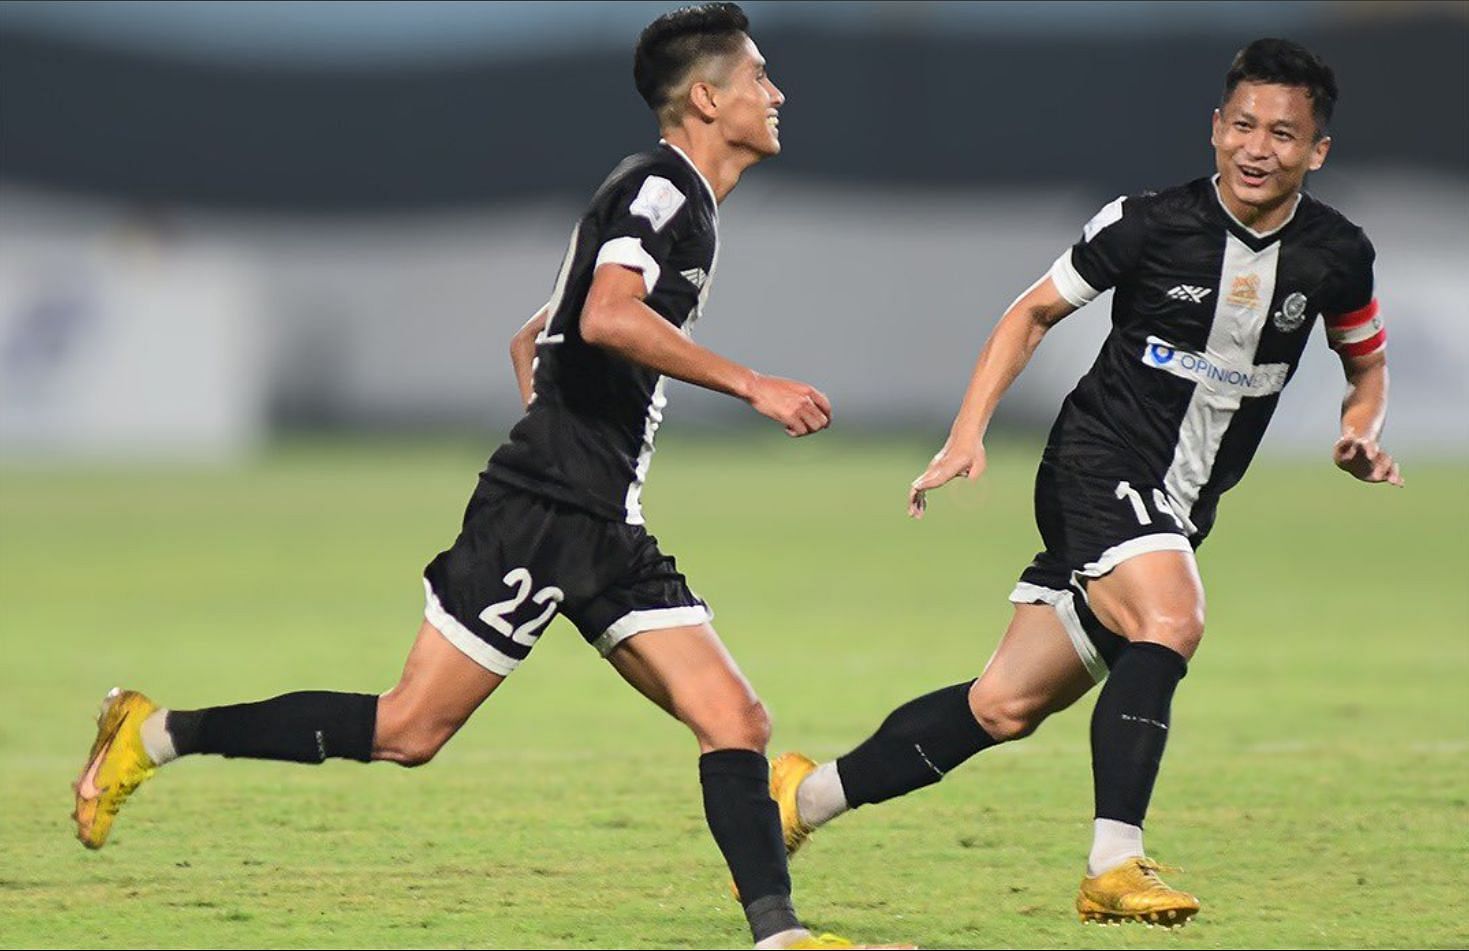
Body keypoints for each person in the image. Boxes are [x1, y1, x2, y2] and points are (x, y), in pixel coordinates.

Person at [71, 6, 906, 949]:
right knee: (409, 729)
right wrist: (749, 384)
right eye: (759, 75)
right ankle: (155, 732)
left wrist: (571, 436)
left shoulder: (673, 198)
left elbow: (534, 335)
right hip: (547, 513)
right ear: (707, 99)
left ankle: (780, 938)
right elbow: (602, 316)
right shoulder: (663, 189)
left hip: (595, 516)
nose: (776, 91)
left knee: (735, 716)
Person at [767, 37, 1399, 928]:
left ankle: (801, 798)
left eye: (1285, 134)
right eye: (1245, 126)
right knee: (1172, 618)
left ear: (1316, 150)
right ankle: (1114, 861)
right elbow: (1030, 313)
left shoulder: (1337, 254)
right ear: (1215, 129)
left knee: (1003, 704)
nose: (1260, 148)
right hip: (1098, 464)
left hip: (1180, 502)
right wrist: (965, 434)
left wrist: (1356, 432)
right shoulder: (1145, 222)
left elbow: (1364, 368)